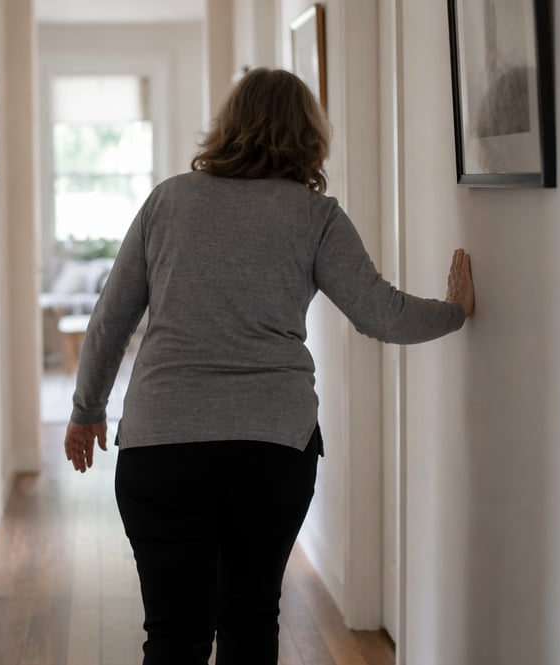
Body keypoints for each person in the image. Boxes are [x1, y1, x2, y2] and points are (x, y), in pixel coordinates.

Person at [64, 67, 474, 665]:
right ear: (309, 136)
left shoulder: (168, 201)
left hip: (162, 448)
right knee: (250, 621)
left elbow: (110, 319)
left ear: (228, 127)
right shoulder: (314, 217)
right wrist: (456, 310)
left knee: (173, 633)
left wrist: (86, 411)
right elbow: (382, 315)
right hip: (270, 452)